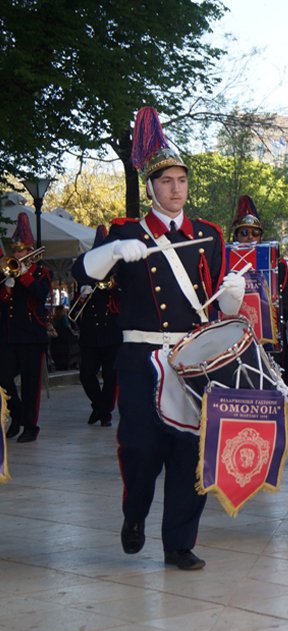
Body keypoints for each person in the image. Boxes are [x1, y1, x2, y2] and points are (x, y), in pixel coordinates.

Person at [72, 106, 245, 570]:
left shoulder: (208, 235)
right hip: (141, 356)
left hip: (194, 356)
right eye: (166, 181)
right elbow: (80, 275)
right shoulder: (126, 231)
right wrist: (110, 251)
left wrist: (235, 293)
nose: (175, 189)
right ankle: (134, 515)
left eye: (181, 180)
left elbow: (222, 305)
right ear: (150, 186)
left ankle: (179, 543)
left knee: (191, 450)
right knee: (141, 447)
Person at [228, 196, 288, 385]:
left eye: (255, 233)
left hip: (270, 345)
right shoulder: (223, 262)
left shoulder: (278, 264)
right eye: (244, 232)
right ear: (236, 236)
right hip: (232, 344)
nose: (250, 237)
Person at [0, 212, 50, 443]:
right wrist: (7, 287)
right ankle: (19, 416)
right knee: (3, 378)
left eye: (21, 251)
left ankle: (31, 426)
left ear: (30, 251)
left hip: (32, 335)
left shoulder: (40, 272)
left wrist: (24, 276)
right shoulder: (8, 271)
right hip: (11, 335)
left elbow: (40, 295)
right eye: (16, 251)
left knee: (31, 385)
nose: (17, 255)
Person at [76, 225, 122, 427]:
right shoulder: (85, 275)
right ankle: (100, 406)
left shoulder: (117, 272)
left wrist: (114, 288)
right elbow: (76, 311)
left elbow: (124, 299)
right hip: (90, 333)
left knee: (110, 376)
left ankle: (104, 412)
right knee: (86, 374)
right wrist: (81, 295)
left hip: (111, 332)